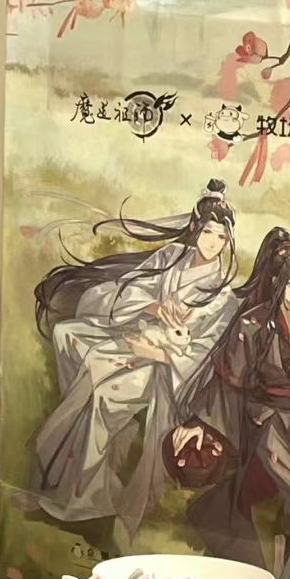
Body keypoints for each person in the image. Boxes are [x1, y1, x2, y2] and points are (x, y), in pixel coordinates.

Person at [28, 181, 239, 538]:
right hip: (139, 338)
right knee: (70, 337)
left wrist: (157, 352)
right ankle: (73, 475)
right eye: (207, 232)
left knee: (103, 393)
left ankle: (87, 500)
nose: (212, 243)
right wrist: (154, 306)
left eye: (221, 237)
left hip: (168, 370)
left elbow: (206, 354)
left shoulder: (223, 296)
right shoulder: (172, 257)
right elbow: (130, 289)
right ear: (195, 228)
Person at [178, 230, 290, 579]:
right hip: (265, 424)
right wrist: (199, 423)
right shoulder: (253, 324)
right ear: (278, 282)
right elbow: (228, 384)